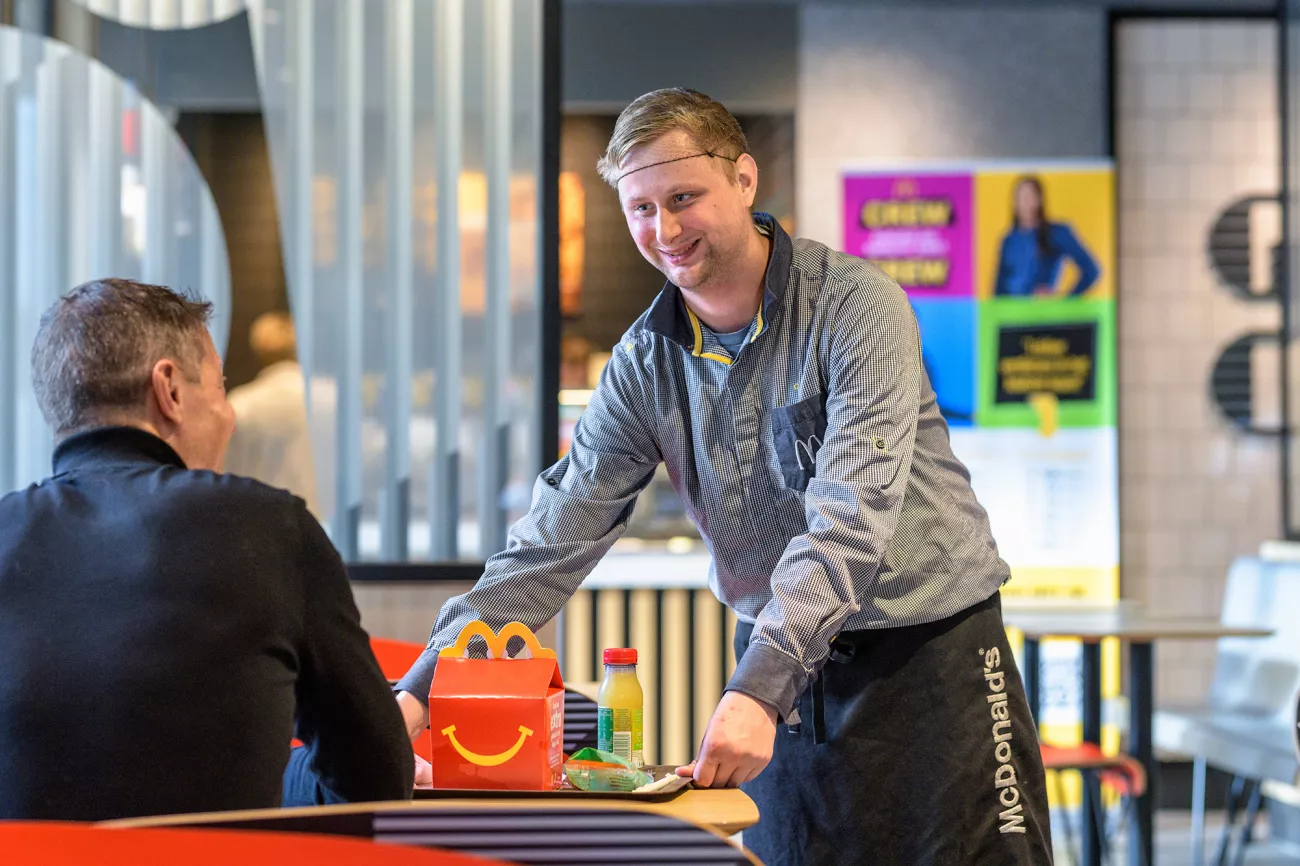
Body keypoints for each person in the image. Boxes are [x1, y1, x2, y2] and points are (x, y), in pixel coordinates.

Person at [394, 89, 1053, 864]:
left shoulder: (856, 309)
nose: (664, 230)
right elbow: (555, 534)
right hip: (787, 679)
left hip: (929, 655)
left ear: (744, 179)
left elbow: (849, 519)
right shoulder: (644, 364)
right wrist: (421, 687)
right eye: (640, 208)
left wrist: (754, 689)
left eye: (683, 198)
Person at [0, 279, 413, 821]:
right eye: (219, 388)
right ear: (169, 389)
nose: (230, 415)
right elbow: (376, 775)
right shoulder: (269, 529)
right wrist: (274, 777)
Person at [223, 310, 321, 518]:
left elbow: (228, 472)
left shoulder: (242, 403)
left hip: (261, 525)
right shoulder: (330, 399)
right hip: (324, 527)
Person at [994, 174, 1100, 298]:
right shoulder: (1009, 240)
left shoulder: (1056, 232)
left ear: (1039, 199)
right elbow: (998, 289)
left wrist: (1065, 302)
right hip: (1011, 314)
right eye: (1020, 197)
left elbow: (1091, 270)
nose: (1024, 202)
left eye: (1028, 196)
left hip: (1040, 313)